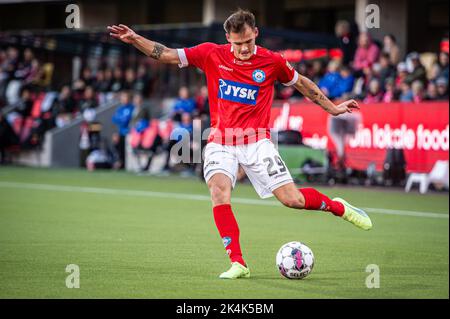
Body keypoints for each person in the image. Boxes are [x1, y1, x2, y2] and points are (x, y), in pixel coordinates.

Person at [108, 9, 373, 280]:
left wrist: (333, 109)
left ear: (255, 33)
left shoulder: (272, 61)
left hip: (258, 142)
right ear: (228, 39)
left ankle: (338, 206)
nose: (244, 48)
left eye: (248, 41)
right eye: (238, 43)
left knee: (293, 200)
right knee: (219, 191)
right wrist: (135, 39)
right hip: (221, 140)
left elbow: (302, 84)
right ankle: (238, 262)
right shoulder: (211, 53)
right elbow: (166, 53)